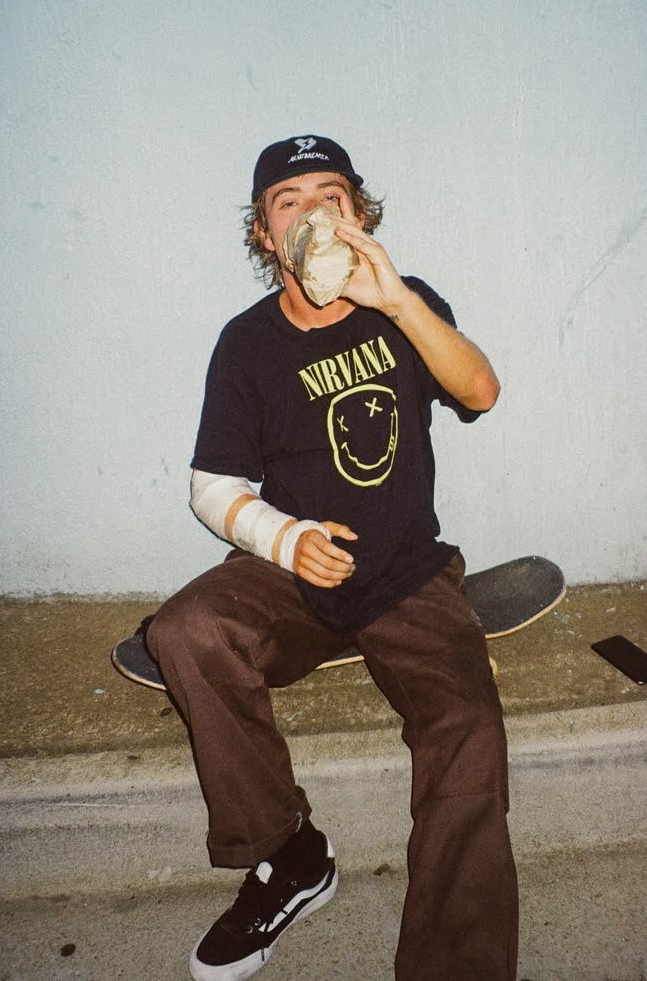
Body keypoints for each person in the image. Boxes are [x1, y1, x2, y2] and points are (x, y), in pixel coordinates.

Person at [147, 135, 518, 981]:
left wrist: (397, 304)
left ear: (359, 215)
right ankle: (288, 855)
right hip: (295, 574)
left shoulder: (405, 304)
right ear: (264, 236)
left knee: (466, 728)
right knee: (186, 633)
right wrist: (286, 538)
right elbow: (212, 484)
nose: (313, 211)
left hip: (407, 571)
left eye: (333, 195)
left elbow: (480, 391)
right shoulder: (246, 344)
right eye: (289, 201)